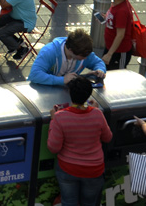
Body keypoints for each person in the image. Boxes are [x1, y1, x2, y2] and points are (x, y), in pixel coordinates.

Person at [47, 77, 112, 206]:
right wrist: (94, 110)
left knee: (68, 202)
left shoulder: (60, 117)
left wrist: (53, 120)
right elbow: (108, 138)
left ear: (70, 93)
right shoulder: (97, 114)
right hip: (94, 170)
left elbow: (53, 148)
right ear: (89, 94)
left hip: (68, 169)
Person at [28, 29, 106, 85]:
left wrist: (100, 70)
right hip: (42, 89)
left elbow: (98, 62)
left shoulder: (84, 52)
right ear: (70, 50)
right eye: (82, 56)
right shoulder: (49, 51)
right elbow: (34, 75)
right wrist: (62, 80)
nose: (86, 58)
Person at [102, 0, 135, 69]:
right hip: (111, 48)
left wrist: (109, 54)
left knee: (117, 74)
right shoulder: (116, 3)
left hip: (118, 52)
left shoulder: (122, 11)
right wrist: (106, 18)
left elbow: (120, 35)